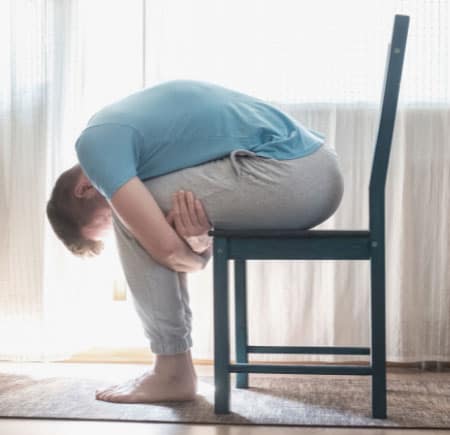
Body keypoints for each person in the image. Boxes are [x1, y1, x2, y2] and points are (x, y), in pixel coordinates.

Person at [46, 79, 344, 404]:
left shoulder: (94, 146)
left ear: (84, 189)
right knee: (148, 214)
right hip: (312, 169)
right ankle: (173, 368)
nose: (118, 221)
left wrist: (195, 255)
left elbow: (167, 250)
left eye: (102, 221)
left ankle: (172, 371)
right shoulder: (130, 135)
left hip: (295, 176)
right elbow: (184, 235)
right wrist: (197, 243)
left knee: (136, 217)